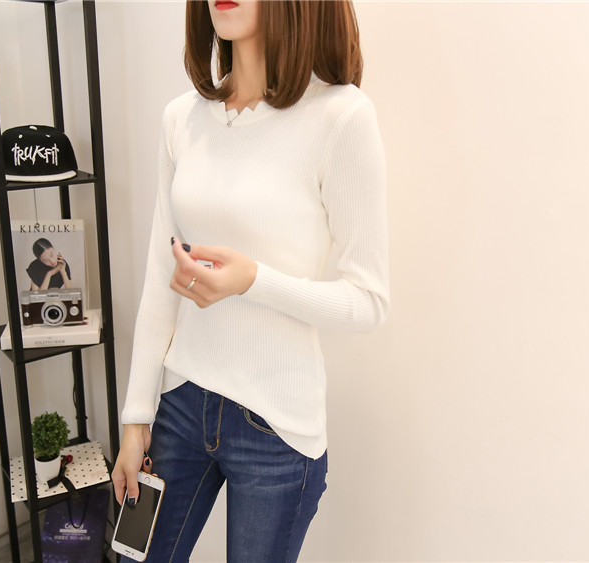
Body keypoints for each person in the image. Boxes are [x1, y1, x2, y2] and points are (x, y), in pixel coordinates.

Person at [112, 0, 389, 560]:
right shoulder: (182, 118)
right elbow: (161, 274)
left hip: (276, 426)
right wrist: (136, 417)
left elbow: (369, 301)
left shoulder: (340, 117)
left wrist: (253, 280)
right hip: (181, 403)